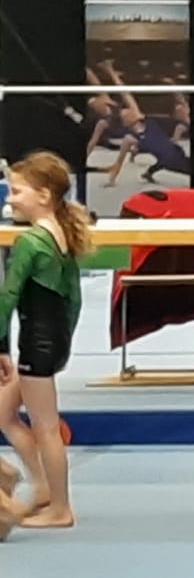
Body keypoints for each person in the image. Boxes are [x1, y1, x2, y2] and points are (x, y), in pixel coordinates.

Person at [0, 151, 93, 530]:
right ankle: (40, 487)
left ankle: (60, 507)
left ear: (43, 195)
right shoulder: (61, 234)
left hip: (36, 346)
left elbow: (7, 298)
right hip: (51, 341)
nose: (10, 199)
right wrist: (63, 341)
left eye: (16, 191)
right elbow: (74, 299)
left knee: (47, 428)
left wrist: (1, 347)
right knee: (3, 413)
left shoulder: (32, 242)